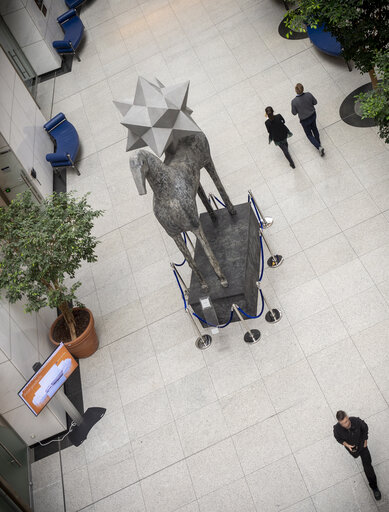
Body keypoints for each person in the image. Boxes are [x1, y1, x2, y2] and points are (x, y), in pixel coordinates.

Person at [333, 410, 381, 501]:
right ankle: (355, 453)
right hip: (352, 448)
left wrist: (365, 440)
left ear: (347, 416)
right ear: (339, 422)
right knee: (355, 455)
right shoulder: (337, 429)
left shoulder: (356, 421)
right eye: (342, 423)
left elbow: (365, 428)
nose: (346, 425)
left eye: (346, 421)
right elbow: (337, 438)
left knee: (368, 467)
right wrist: (346, 445)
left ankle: (374, 487)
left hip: (362, 445)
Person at [291, 83, 324, 156]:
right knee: (314, 129)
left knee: (309, 135)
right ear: (303, 88)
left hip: (304, 120)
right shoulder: (309, 94)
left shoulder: (294, 101)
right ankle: (319, 144)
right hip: (312, 115)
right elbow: (315, 102)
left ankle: (318, 146)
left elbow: (294, 113)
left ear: (296, 91)